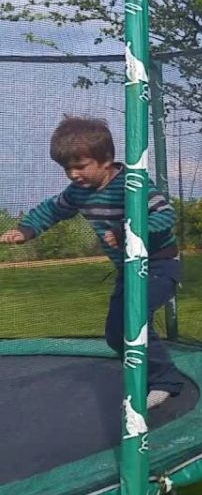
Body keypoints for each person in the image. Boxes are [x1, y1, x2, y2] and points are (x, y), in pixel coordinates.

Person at [0, 116, 185, 408]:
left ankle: (166, 380)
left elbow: (165, 216)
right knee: (115, 334)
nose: (73, 174)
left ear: (106, 160)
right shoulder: (79, 192)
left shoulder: (133, 183)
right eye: (67, 168)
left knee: (134, 319)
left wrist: (129, 232)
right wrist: (26, 230)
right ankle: (145, 369)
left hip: (160, 264)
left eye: (80, 166)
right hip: (127, 269)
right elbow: (52, 210)